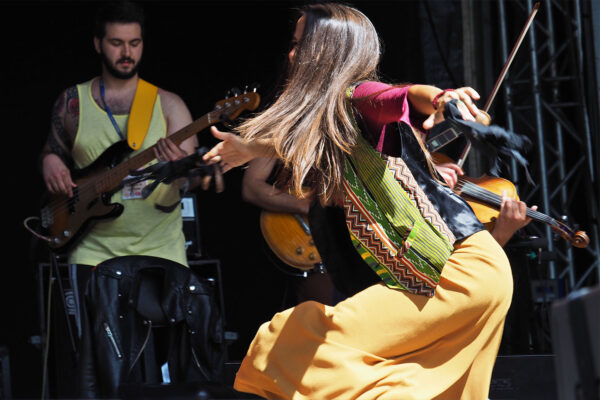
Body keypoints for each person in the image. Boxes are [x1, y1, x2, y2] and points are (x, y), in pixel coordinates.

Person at [203, 3, 532, 399]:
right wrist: (246, 148)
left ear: (328, 51)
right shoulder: (334, 122)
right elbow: (297, 138)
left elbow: (402, 96)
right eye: (292, 44)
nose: (291, 55)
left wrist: (443, 98)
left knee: (290, 342)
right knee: (414, 387)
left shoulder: (356, 95)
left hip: (456, 273)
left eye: (301, 45)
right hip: (473, 274)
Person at [39, 2, 222, 397]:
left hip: (160, 253)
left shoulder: (168, 104)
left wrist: (186, 170)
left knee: (161, 364)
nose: (127, 52)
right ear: (98, 44)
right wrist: (52, 165)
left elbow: (189, 180)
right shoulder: (73, 101)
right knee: (95, 368)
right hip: (91, 251)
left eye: (135, 43)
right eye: (117, 43)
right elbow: (53, 150)